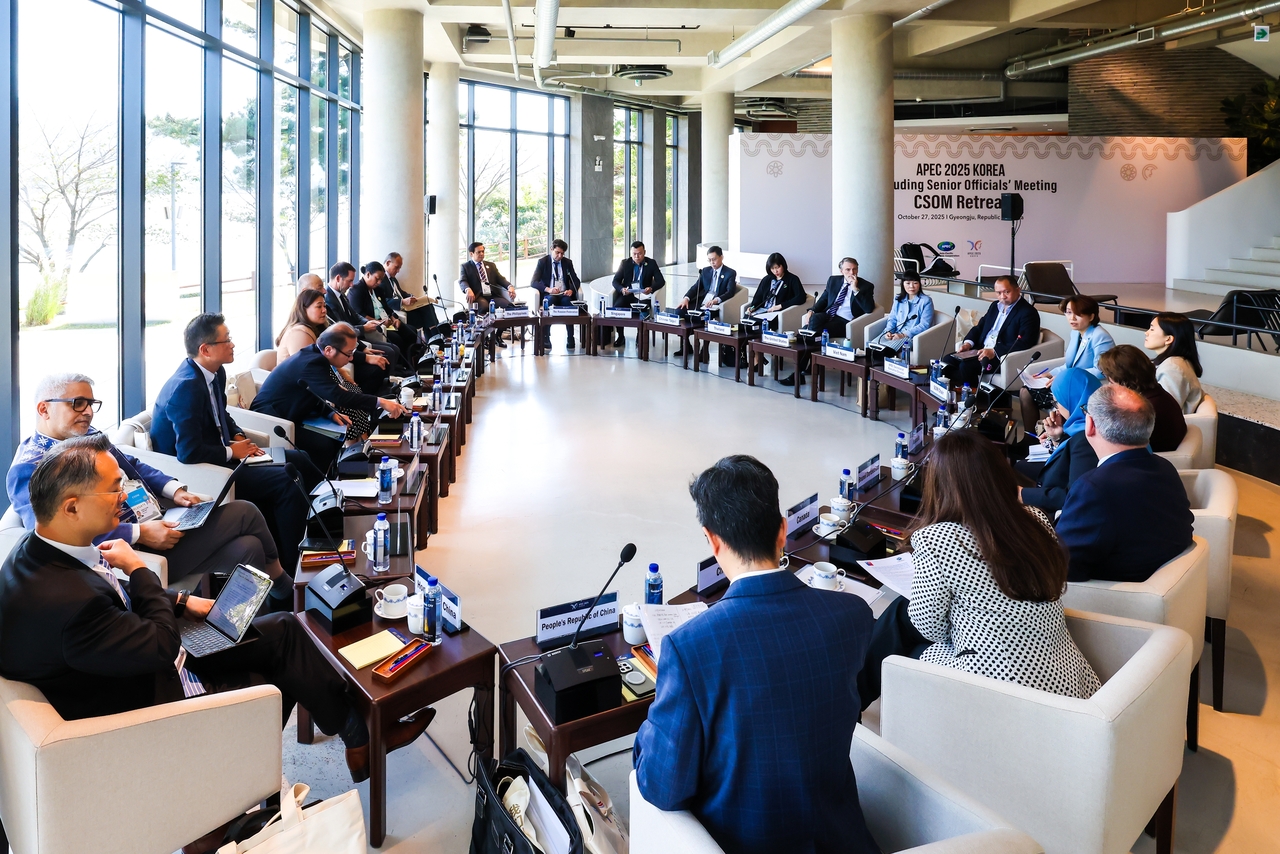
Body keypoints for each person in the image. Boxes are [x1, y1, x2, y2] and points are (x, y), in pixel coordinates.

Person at [0, 434, 414, 784]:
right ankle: (234, 793)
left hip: (139, 661)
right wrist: (141, 569)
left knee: (284, 628)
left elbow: (114, 601)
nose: (123, 496)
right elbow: (159, 644)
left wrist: (183, 600)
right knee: (278, 672)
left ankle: (359, 735)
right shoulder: (68, 602)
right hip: (156, 700)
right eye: (113, 488)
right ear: (71, 506)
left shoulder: (41, 550)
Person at [633, 455, 878, 854]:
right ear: (782, 531)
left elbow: (661, 786)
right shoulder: (851, 616)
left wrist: (649, 732)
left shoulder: (690, 647)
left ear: (712, 541)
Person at [857, 430, 1100, 708]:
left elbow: (929, 628)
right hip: (1064, 677)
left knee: (901, 635)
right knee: (900, 615)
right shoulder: (1034, 519)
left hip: (994, 681)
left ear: (939, 485)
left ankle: (847, 703)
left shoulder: (938, 538)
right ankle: (850, 698)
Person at [7, 373, 294, 606]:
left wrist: (173, 490)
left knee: (249, 547)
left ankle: (244, 620)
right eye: (77, 403)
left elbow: (132, 464)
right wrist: (140, 533)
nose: (88, 412)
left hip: (158, 521)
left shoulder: (89, 437)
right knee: (245, 512)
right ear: (44, 408)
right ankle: (286, 590)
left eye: (92, 404)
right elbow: (50, 534)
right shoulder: (30, 468)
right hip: (134, 553)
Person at [150, 313, 324, 577]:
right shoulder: (185, 387)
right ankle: (293, 568)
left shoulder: (215, 372)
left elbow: (223, 415)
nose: (232, 345)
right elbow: (188, 453)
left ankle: (321, 525)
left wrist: (240, 436)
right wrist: (233, 451)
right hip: (205, 471)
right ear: (205, 349)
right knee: (286, 480)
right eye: (227, 340)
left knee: (298, 457)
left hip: (226, 455)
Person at [1056, 384, 1194, 583]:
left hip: (1109, 596)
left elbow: (1062, 566)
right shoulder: (1165, 467)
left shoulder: (1094, 487)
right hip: (1161, 581)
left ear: (1090, 425)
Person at [251, 324, 407, 473]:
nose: (351, 357)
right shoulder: (311, 362)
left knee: (336, 436)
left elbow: (313, 393)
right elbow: (339, 397)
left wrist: (330, 413)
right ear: (329, 350)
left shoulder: (316, 356)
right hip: (274, 418)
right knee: (323, 444)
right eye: (349, 353)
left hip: (296, 411)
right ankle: (317, 487)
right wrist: (381, 402)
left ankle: (331, 477)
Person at [274, 290, 374, 441]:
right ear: (304, 308)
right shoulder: (299, 333)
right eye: (318, 306)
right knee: (346, 401)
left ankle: (363, 441)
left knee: (354, 391)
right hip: (298, 394)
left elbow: (324, 364)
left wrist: (342, 376)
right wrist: (337, 387)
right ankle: (357, 446)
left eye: (325, 306)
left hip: (312, 387)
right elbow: (310, 371)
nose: (324, 311)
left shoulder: (314, 329)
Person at [780, 256, 877, 386]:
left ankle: (798, 370)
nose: (852, 273)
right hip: (828, 315)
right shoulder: (833, 280)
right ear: (841, 270)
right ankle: (808, 353)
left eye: (854, 269)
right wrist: (811, 311)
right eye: (848, 270)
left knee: (810, 335)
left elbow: (869, 309)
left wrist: (855, 289)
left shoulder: (866, 286)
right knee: (814, 322)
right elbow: (824, 299)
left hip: (845, 322)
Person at [1018, 294, 1114, 422]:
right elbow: (1070, 365)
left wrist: (1068, 376)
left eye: (1078, 314)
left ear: (1091, 316)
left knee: (1031, 394)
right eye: (1068, 313)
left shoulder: (1100, 336)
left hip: (1085, 388)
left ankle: (1060, 435)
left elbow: (1101, 371)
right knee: (1026, 391)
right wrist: (1049, 374)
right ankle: (1029, 436)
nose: (1072, 318)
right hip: (1069, 383)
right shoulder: (1075, 332)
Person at [1017, 368, 1101, 514]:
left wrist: (1023, 495)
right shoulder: (1085, 425)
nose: (1055, 410)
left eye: (1057, 403)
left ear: (1071, 400)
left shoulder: (1086, 438)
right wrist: (1058, 438)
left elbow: (1073, 496)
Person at [948, 276, 1040, 387]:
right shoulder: (995, 306)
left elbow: (1025, 342)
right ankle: (955, 393)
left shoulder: (1028, 312)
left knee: (966, 366)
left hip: (1000, 356)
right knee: (948, 360)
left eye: (1006, 292)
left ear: (1018, 290)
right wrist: (968, 344)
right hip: (979, 350)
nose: (1002, 297)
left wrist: (994, 351)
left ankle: (973, 399)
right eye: (998, 293)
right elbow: (980, 327)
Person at [1096, 345, 1187, 452]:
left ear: (1121, 378)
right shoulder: (1159, 395)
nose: (1108, 381)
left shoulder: (1142, 410)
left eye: (1108, 375)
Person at [322, 262, 399, 387]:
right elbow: (341, 330)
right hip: (346, 346)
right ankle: (379, 393)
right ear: (338, 278)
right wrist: (364, 328)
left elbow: (355, 315)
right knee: (387, 354)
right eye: (350, 281)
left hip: (356, 341)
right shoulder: (328, 300)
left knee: (392, 350)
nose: (352, 284)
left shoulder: (341, 296)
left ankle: (388, 387)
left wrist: (367, 322)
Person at [741, 252, 806, 370]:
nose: (775, 271)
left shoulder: (792, 279)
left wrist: (780, 306)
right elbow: (758, 297)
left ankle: (757, 359)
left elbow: (800, 297)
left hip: (778, 314)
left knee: (759, 325)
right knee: (746, 323)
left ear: (783, 266)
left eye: (778, 267)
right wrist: (753, 307)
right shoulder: (767, 280)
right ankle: (753, 356)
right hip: (763, 310)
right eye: (772, 268)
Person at [675, 245, 737, 363]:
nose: (712, 262)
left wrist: (716, 300)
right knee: (679, 311)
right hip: (702, 302)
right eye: (709, 260)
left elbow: (730, 292)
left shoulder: (730, 273)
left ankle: (704, 349)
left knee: (704, 318)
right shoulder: (706, 271)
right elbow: (696, 287)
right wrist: (686, 298)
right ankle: (686, 344)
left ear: (721, 257)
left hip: (716, 304)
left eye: (714, 259)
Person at [351, 261, 417, 359]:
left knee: (411, 331)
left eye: (381, 280)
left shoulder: (378, 290)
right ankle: (400, 367)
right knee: (397, 339)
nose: (379, 283)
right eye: (377, 279)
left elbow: (387, 308)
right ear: (368, 274)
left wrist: (394, 319)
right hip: (376, 326)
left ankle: (410, 362)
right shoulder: (356, 290)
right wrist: (379, 322)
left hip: (388, 323)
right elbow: (359, 314)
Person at [381, 252, 452, 341]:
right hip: (397, 311)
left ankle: (434, 339)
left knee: (427, 305)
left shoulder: (392, 279)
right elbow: (383, 301)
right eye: (397, 267)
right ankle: (435, 336)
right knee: (426, 312)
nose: (398, 271)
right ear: (388, 263)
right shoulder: (381, 279)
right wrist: (402, 302)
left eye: (399, 268)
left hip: (405, 308)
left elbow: (400, 293)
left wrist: (411, 296)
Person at [1144, 312, 1205, 413]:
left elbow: (1165, 410)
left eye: (1152, 329)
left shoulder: (1173, 368)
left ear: (1168, 339)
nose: (1146, 332)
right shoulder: (1175, 362)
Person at [609, 241, 666, 348]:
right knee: (617, 307)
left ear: (644, 252)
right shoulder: (625, 263)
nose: (637, 256)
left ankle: (640, 336)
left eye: (639, 253)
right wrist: (622, 289)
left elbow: (661, 281)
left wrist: (651, 288)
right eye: (634, 254)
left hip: (643, 295)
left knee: (643, 310)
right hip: (628, 294)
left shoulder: (651, 263)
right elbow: (615, 281)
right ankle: (621, 336)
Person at [530, 239, 582, 351]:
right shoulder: (542, 262)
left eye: (562, 253)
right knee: (549, 302)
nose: (560, 256)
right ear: (551, 249)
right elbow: (533, 282)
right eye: (557, 252)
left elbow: (576, 280)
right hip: (550, 294)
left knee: (568, 303)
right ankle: (546, 337)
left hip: (564, 294)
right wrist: (548, 289)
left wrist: (571, 290)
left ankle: (570, 337)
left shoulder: (567, 263)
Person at [459, 241, 516, 314]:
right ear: (471, 254)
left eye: (483, 251)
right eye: (478, 252)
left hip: (492, 295)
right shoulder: (466, 266)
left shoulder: (491, 265)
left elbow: (500, 278)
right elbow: (462, 281)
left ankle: (503, 325)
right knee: (484, 308)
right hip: (478, 296)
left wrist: (509, 286)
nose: (481, 254)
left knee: (508, 306)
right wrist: (467, 289)